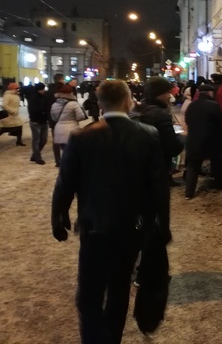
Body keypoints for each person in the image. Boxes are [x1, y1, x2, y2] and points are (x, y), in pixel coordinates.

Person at [51, 80, 169, 344]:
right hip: (131, 227)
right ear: (128, 101)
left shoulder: (82, 136)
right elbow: (159, 186)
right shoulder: (147, 134)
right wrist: (162, 225)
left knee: (89, 295)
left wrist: (58, 216)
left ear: (99, 103)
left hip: (95, 225)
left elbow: (65, 182)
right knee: (119, 288)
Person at [132, 77, 185, 188]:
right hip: (158, 168)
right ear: (159, 94)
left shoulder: (138, 110)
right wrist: (181, 138)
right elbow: (172, 147)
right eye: (167, 93)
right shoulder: (160, 114)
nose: (169, 96)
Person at [183, 84, 222, 199]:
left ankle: (189, 192)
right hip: (211, 138)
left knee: (193, 165)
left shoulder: (192, 105)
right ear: (209, 93)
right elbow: (221, 121)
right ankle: (219, 184)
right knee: (217, 162)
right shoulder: (214, 105)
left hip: (193, 138)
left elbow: (187, 120)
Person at [51, 84, 87, 164]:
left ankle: (63, 164)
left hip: (58, 129)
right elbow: (80, 116)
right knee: (71, 152)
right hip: (71, 129)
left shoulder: (54, 105)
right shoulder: (73, 104)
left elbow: (53, 118)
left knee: (64, 150)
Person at [27, 82, 48, 163]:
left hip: (44, 121)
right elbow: (33, 110)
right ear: (38, 90)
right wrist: (43, 112)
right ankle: (38, 158)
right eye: (42, 89)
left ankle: (34, 155)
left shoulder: (44, 97)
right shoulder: (32, 98)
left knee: (44, 140)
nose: (44, 91)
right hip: (35, 122)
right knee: (36, 140)